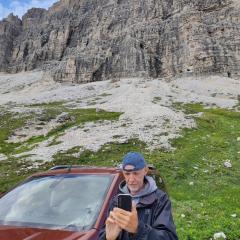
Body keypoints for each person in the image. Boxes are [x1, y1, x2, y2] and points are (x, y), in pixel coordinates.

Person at [99, 151, 178, 240]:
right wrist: (108, 238)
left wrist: (138, 229)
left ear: (145, 170)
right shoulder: (116, 201)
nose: (131, 179)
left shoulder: (160, 199)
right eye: (127, 174)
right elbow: (104, 233)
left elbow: (170, 237)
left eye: (136, 173)